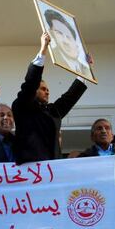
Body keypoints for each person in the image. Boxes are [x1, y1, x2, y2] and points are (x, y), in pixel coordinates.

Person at [12, 32, 87, 164]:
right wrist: (43, 51)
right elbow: (29, 85)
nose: (47, 92)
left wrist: (84, 72)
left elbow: (69, 98)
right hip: (29, 170)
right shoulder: (22, 106)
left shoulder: (53, 111)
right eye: (43, 89)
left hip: (53, 170)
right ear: (34, 91)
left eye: (48, 90)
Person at [44, 9, 93, 79]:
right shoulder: (51, 59)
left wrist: (88, 65)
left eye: (68, 37)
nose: (65, 41)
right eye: (59, 33)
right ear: (52, 33)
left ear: (76, 44)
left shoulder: (85, 68)